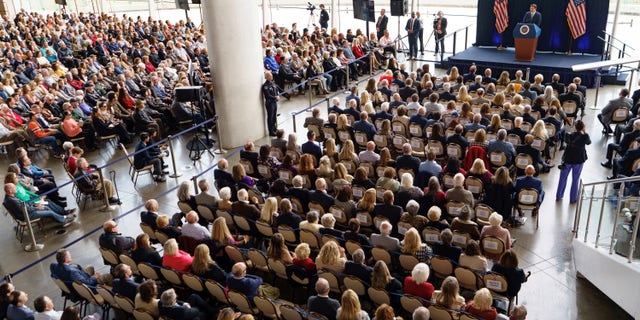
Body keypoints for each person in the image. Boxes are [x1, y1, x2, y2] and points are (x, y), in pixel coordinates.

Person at [3, 183, 75, 228]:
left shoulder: (11, 197)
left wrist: (35, 205)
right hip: (26, 216)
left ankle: (62, 217)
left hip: (28, 211)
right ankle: (63, 220)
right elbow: (24, 210)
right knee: (49, 212)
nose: (16, 188)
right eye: (14, 188)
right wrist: (36, 207)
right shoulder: (12, 200)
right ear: (10, 191)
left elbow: (25, 205)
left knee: (46, 207)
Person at [556, 120, 590, 203]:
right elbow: (589, 143)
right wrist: (584, 132)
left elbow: (566, 142)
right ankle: (573, 198)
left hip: (567, 159)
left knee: (562, 178)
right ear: (583, 127)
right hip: (578, 160)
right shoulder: (585, 136)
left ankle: (559, 195)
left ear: (574, 127)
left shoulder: (568, 135)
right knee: (575, 179)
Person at [262, 71, 280, 136]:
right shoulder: (265, 86)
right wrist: (275, 97)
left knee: (274, 116)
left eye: (271, 75)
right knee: (270, 117)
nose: (272, 76)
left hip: (274, 102)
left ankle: (274, 128)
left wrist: (278, 95)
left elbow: (276, 90)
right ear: (266, 77)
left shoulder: (273, 83)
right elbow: (267, 95)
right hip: (270, 103)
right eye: (270, 76)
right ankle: (271, 131)